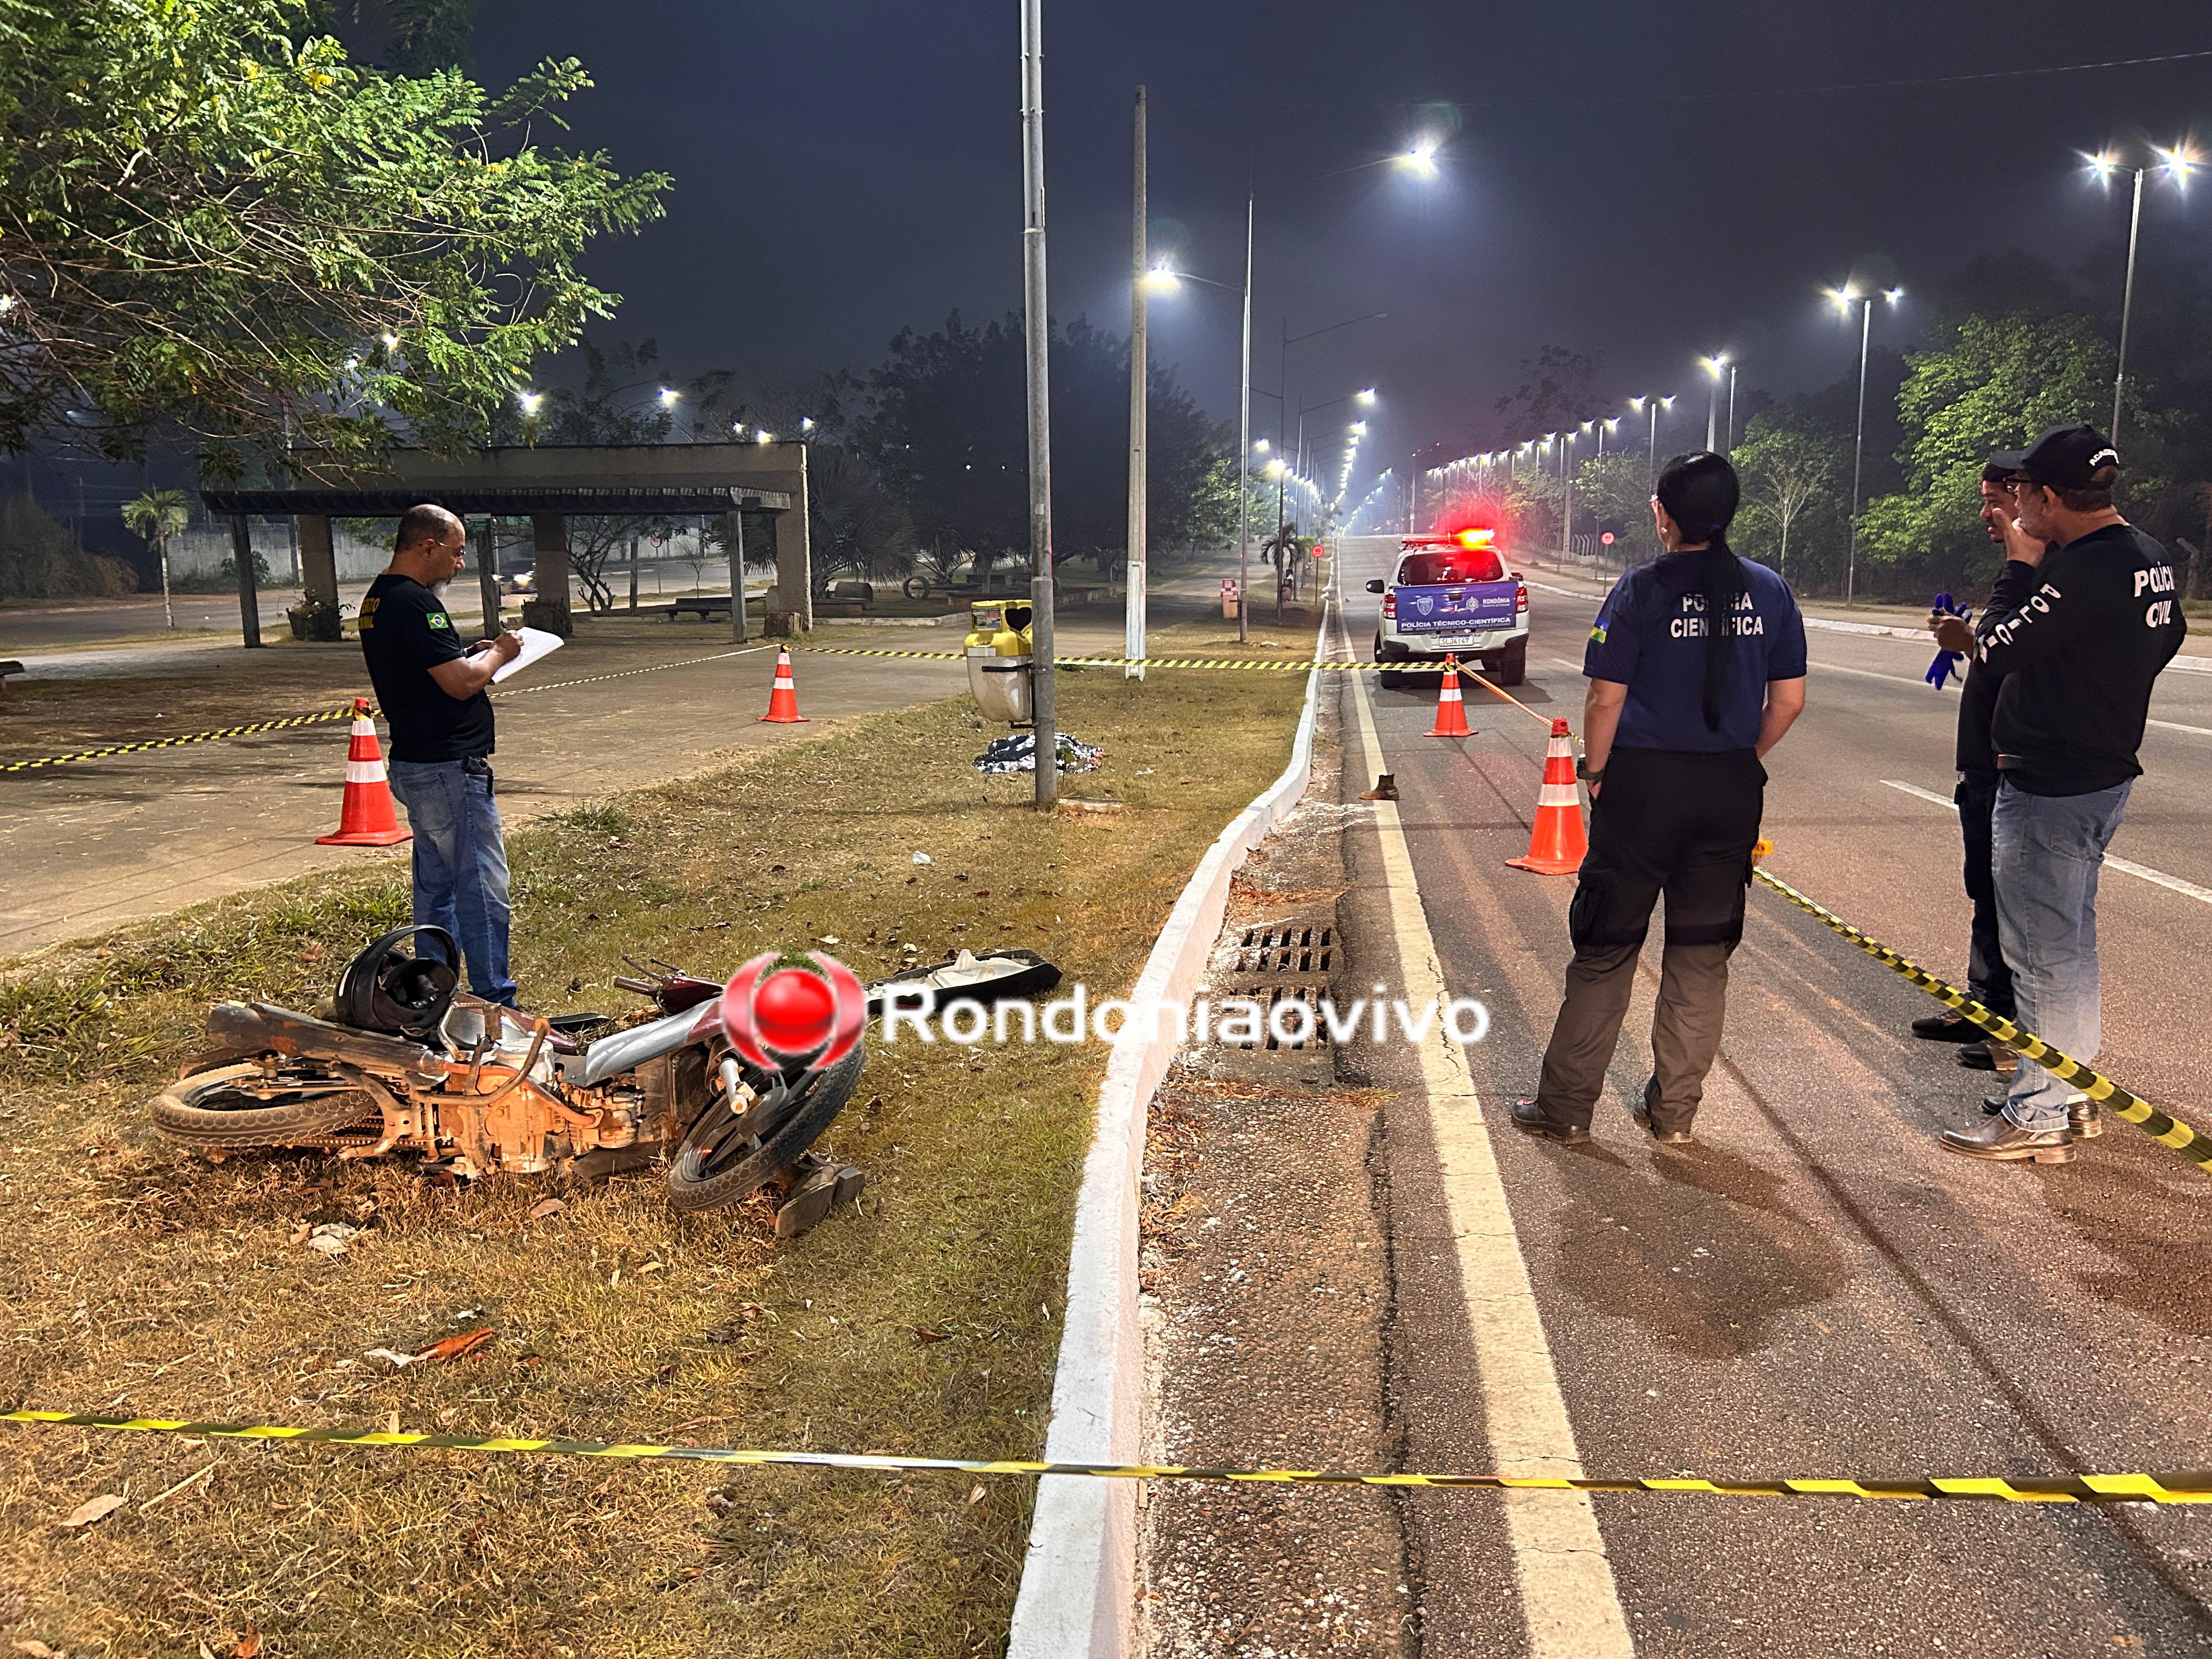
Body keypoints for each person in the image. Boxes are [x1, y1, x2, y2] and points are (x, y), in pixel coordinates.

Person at [1513, 452, 1807, 1147]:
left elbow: (1604, 697)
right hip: (1728, 793)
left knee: (1607, 948)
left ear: (1663, 515)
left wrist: (1597, 772)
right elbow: (1789, 702)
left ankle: (1566, 1108)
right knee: (1700, 957)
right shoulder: (1769, 590)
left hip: (1643, 790)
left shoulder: (1640, 589)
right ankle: (1674, 1116)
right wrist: (1739, 761)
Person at [1939, 424, 2183, 1164]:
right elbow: (2167, 638)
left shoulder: (2083, 569)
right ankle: (2069, 1093)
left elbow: (1996, 647)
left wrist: (2017, 569)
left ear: (2048, 498)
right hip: (2101, 772)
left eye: (2019, 493)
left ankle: (2040, 1113)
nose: (2013, 507)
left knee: (2042, 956)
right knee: (2068, 948)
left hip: (2052, 781)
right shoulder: (2148, 555)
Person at [360, 504, 525, 1007]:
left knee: (436, 890)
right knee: (482, 888)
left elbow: (427, 669)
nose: (459, 564)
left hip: (417, 762)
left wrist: (471, 655)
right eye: (456, 553)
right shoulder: (416, 602)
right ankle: (494, 999)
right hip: (449, 768)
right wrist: (501, 653)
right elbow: (459, 684)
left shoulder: (379, 598)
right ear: (427, 546)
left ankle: (434, 993)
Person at [1915, 460, 2045, 1070]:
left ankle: (2021, 1037)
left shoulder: (2049, 577)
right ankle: (1987, 1004)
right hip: (1985, 763)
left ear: (2028, 499)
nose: (1985, 513)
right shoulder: (2019, 574)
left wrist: (1970, 642)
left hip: (2016, 767)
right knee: (1985, 889)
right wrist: (1968, 641)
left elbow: (2032, 662)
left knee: (2017, 903)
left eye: (1996, 500)